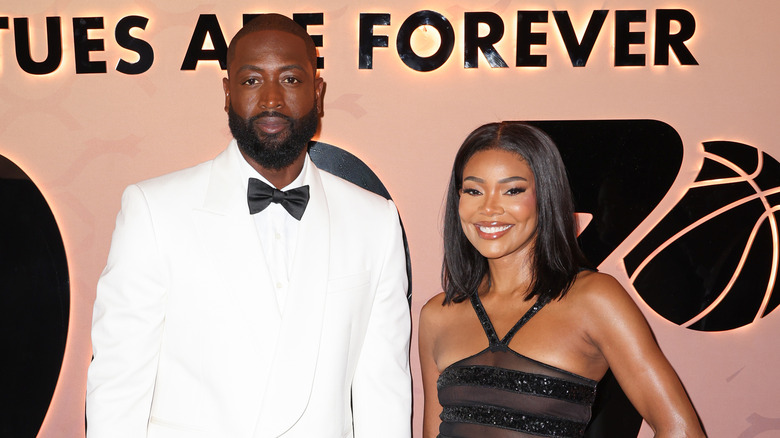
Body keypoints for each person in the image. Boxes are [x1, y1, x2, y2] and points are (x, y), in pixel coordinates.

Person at [87, 14, 411, 438]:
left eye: (291, 80)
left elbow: (383, 392)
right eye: (252, 81)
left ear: (318, 92)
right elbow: (118, 384)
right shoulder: (154, 210)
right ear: (227, 93)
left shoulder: (375, 221)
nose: (272, 99)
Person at [418, 122, 705, 437]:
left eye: (513, 190)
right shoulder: (438, 316)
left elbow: (681, 430)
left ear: (546, 197)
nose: (489, 208)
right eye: (473, 190)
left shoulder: (593, 299)